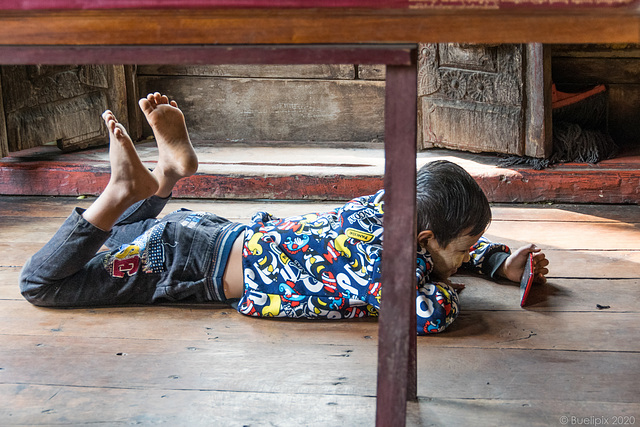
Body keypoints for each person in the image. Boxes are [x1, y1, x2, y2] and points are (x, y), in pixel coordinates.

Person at [19, 93, 549, 335]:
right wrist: (448, 279)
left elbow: (437, 247)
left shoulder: (387, 210)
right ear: (425, 237)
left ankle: (166, 179)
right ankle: (120, 191)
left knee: (122, 234)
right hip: (182, 264)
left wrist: (494, 261)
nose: (463, 258)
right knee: (41, 284)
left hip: (204, 231)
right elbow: (433, 316)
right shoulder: (388, 276)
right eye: (461, 249)